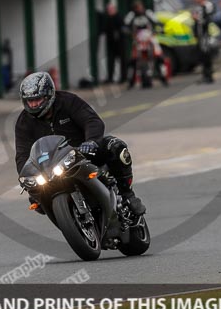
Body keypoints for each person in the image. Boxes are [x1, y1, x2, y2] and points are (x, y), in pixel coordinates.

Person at [14, 71, 146, 215]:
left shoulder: (68, 101)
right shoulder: (23, 122)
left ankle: (128, 195)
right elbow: (22, 154)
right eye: (29, 101)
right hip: (51, 168)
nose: (33, 104)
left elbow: (92, 121)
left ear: (49, 94)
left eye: (37, 99)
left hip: (84, 153)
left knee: (117, 147)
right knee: (36, 201)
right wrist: (25, 175)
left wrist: (91, 141)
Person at [123, 0, 167, 87]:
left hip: (150, 37)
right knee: (133, 59)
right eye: (137, 8)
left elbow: (157, 22)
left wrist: (159, 29)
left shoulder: (148, 12)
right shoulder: (131, 15)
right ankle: (131, 81)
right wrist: (129, 32)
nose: (139, 9)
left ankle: (163, 77)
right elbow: (125, 25)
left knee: (159, 56)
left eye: (140, 7)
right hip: (138, 39)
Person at [99, 3, 125, 84]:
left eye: (111, 9)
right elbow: (104, 29)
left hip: (120, 43)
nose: (109, 11)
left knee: (122, 60)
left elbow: (123, 29)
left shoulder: (119, 17)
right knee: (111, 61)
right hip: (111, 43)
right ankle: (110, 77)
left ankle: (123, 77)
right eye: (108, 10)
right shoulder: (107, 19)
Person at [192, 0, 215, 84]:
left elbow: (208, 19)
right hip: (200, 35)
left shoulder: (207, 6)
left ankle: (208, 75)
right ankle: (205, 75)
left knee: (206, 55)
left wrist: (197, 18)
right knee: (201, 56)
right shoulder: (198, 7)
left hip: (205, 35)